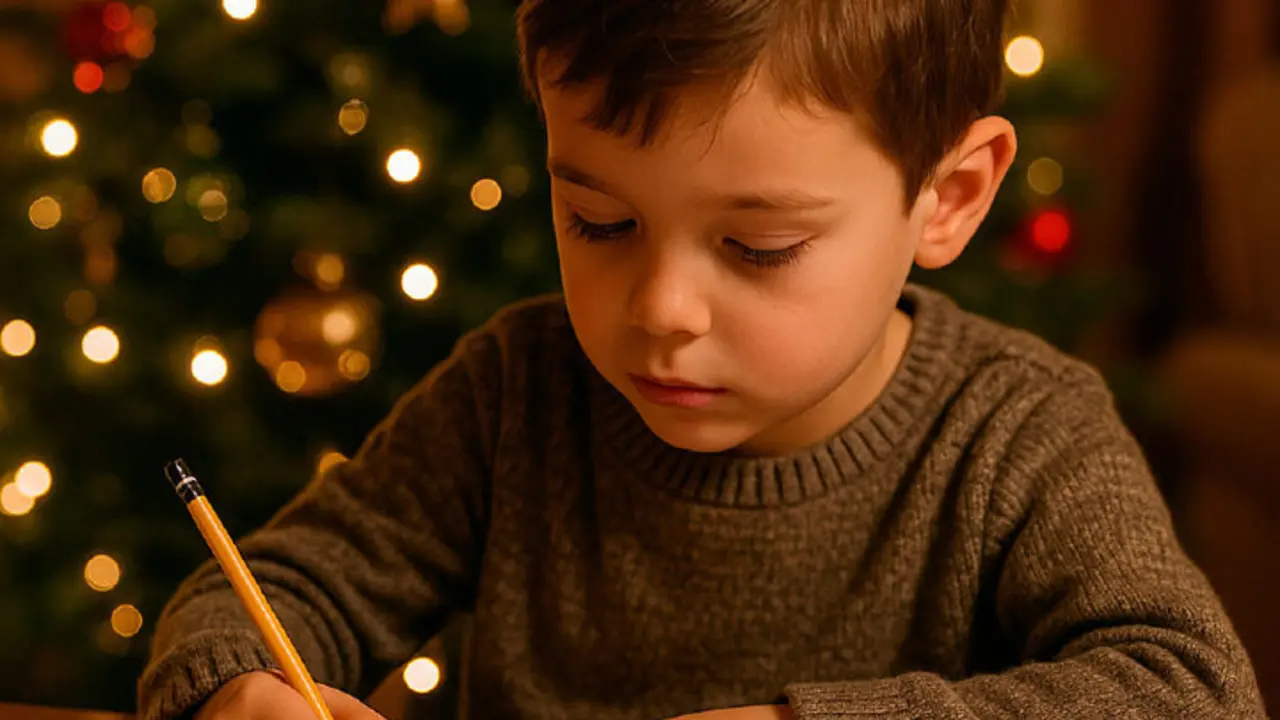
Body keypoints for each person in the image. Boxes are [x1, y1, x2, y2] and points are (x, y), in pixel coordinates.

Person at [137, 0, 1268, 718]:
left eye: (758, 247)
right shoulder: (513, 394)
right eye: (599, 222)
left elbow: (1189, 693)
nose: (662, 310)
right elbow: (260, 595)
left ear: (947, 197)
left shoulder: (1017, 432)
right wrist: (238, 690)